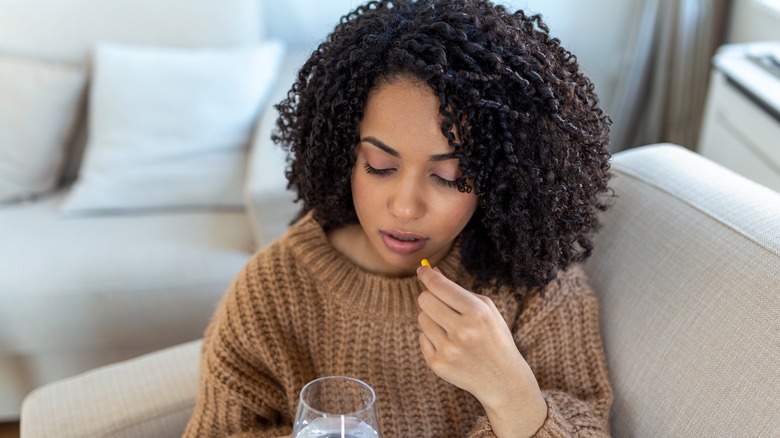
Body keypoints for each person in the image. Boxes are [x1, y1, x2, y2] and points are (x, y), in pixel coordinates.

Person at [184, 0, 613, 436]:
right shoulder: (271, 292)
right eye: (379, 166)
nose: (406, 207)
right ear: (342, 156)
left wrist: (510, 390)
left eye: (449, 177)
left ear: (502, 176)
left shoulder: (533, 282)